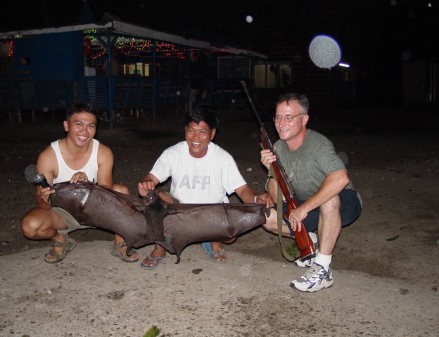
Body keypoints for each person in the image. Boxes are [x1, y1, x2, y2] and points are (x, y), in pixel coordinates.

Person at [138, 108, 273, 269]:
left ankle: (212, 239)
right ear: (185, 131)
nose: (196, 137)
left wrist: (258, 199)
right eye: (191, 130)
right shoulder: (172, 153)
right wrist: (146, 184)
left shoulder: (223, 158)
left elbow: (243, 190)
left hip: (212, 213)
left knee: (230, 237)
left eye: (202, 132)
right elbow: (150, 178)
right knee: (153, 197)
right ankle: (160, 248)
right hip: (179, 211)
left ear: (212, 134)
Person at [261, 93, 362, 292]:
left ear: (304, 119)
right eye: (278, 117)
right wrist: (271, 170)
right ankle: (312, 244)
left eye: (289, 117)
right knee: (265, 217)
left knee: (329, 199)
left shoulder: (318, 143)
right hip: (305, 203)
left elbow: (341, 179)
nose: (281, 123)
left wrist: (303, 209)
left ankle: (323, 269)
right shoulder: (277, 147)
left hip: (343, 202)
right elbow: (275, 197)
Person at [21, 102, 140, 264]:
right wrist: (44, 198)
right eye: (78, 124)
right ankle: (60, 239)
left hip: (95, 209)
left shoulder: (103, 152)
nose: (84, 131)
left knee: (121, 190)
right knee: (30, 226)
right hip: (63, 213)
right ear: (66, 125)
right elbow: (43, 205)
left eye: (90, 126)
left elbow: (107, 190)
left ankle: (120, 242)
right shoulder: (48, 156)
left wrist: (88, 186)